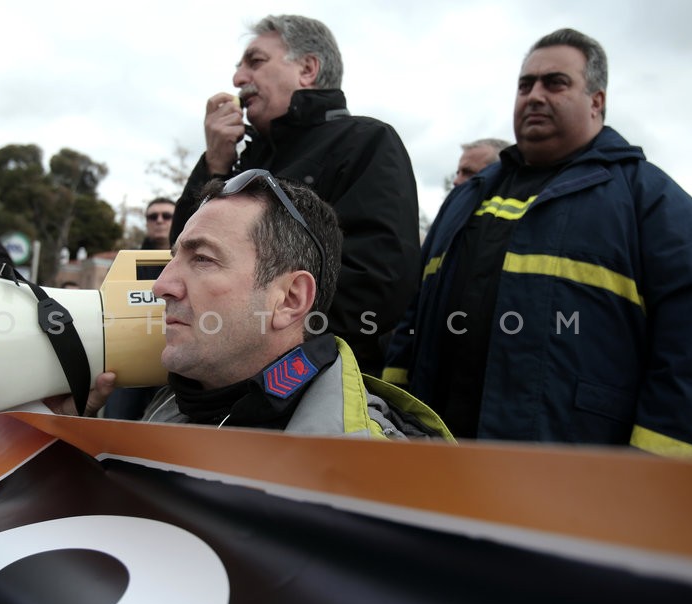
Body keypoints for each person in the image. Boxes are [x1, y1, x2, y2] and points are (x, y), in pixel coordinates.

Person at [383, 28, 692, 458]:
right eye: (525, 84)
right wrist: (395, 421)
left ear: (597, 102)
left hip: (576, 488)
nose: (534, 95)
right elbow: (411, 317)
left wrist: (647, 477)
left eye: (555, 83)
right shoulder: (466, 198)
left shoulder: (652, 203)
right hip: (434, 459)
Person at [54, 170, 452, 442]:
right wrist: (69, 439)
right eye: (173, 259)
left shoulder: (381, 470)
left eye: (203, 259)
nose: (162, 286)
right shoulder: (175, 404)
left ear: (290, 299)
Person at [170, 15, 420, 377]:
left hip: (314, 386)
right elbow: (180, 257)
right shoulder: (243, 159)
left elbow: (378, 283)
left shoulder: (365, 141)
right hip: (215, 386)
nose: (238, 79)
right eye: (239, 68)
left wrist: (251, 332)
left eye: (255, 62)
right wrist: (214, 166)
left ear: (307, 68)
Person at [103, 197, 176, 420]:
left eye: (166, 215)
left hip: (176, 365)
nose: (159, 220)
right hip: (129, 359)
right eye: (152, 216)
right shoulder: (125, 265)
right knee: (115, 425)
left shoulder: (195, 262)